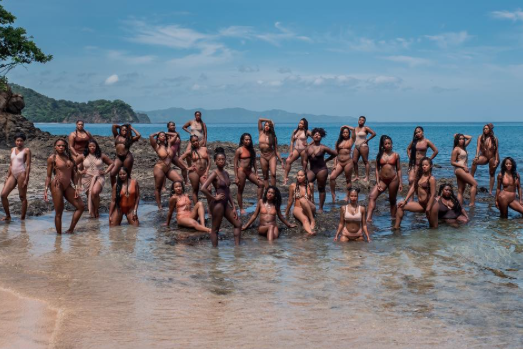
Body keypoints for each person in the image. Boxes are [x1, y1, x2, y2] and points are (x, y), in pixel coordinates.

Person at [201, 147, 242, 247]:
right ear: (215, 161)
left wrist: (233, 206)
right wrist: (213, 198)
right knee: (215, 229)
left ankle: (237, 249)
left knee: (238, 224)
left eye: (223, 159)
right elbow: (203, 188)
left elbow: (227, 191)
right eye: (219, 159)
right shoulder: (214, 174)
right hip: (217, 205)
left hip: (226, 204)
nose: (221, 161)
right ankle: (215, 255)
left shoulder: (226, 173)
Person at [44, 139, 85, 234]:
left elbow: (73, 175)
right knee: (59, 212)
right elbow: (48, 176)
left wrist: (76, 187)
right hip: (56, 185)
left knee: (81, 206)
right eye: (59, 145)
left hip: (68, 185)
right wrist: (46, 190)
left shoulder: (69, 158)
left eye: (63, 145)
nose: (61, 147)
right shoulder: (52, 158)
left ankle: (70, 230)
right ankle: (59, 238)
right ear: (55, 147)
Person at [394, 157, 438, 229]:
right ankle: (396, 229)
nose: (424, 166)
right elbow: (413, 188)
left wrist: (428, 207)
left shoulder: (431, 178)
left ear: (431, 166)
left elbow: (433, 194)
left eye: (426, 165)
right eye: (423, 165)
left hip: (432, 205)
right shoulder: (419, 177)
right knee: (400, 206)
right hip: (421, 204)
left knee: (433, 228)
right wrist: (405, 200)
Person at [366, 135, 403, 222]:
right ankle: (369, 218)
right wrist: (377, 182)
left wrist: (400, 182)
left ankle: (393, 218)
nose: (387, 145)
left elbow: (399, 169)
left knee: (392, 200)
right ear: (383, 145)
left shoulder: (396, 155)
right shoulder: (379, 155)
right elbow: (376, 169)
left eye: (389, 143)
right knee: (372, 196)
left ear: (392, 144)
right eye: (385, 143)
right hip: (383, 180)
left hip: (393, 180)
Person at [76, 139, 114, 218]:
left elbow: (111, 163)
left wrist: (106, 171)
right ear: (87, 147)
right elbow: (72, 164)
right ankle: (92, 213)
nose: (92, 147)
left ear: (96, 146)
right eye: (90, 146)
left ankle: (96, 210)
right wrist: (80, 171)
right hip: (86, 178)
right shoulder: (83, 156)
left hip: (98, 177)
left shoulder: (101, 155)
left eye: (93, 146)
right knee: (89, 196)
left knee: (94, 192)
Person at [303, 128, 337, 213]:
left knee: (321, 188)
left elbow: (335, 154)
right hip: (312, 170)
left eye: (319, 135)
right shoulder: (308, 148)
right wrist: (305, 170)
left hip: (322, 170)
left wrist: (327, 160)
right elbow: (304, 160)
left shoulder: (323, 148)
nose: (317, 136)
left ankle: (320, 208)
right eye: (315, 134)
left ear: (321, 137)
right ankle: (308, 203)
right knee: (304, 183)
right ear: (312, 136)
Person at [149, 131, 184, 209]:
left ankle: (173, 198)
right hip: (159, 169)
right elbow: (151, 136)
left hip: (168, 169)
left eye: (164, 136)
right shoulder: (156, 146)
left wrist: (165, 132)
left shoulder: (169, 144)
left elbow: (175, 134)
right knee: (158, 188)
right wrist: (157, 133)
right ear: (158, 138)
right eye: (161, 136)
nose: (163, 136)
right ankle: (159, 206)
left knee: (179, 180)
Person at [1, 133, 31, 221]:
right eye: (17, 141)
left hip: (21, 173)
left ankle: (22, 219)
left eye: (21, 141)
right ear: (15, 141)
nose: (19, 142)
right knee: (3, 195)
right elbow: (11, 164)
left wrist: (27, 178)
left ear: (23, 141)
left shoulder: (26, 150)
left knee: (22, 197)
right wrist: (7, 176)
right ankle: (8, 216)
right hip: (12, 174)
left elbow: (28, 165)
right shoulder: (12, 149)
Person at [234, 133, 263, 215]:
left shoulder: (252, 150)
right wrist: (236, 177)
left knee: (261, 184)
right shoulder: (239, 150)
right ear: (243, 140)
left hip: (249, 171)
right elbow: (235, 164)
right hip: (241, 171)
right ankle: (241, 208)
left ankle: (259, 204)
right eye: (246, 139)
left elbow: (254, 162)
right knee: (240, 190)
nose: (248, 141)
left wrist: (257, 173)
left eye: (249, 139)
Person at [180, 135, 211, 204]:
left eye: (196, 140)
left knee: (208, 189)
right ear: (191, 142)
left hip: (203, 172)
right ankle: (196, 208)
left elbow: (209, 161)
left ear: (198, 140)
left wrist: (207, 171)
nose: (196, 142)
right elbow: (180, 159)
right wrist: (187, 167)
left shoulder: (204, 149)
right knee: (195, 190)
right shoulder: (190, 151)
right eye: (193, 141)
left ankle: (210, 210)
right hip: (194, 172)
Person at [285, 170, 316, 235]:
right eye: (298, 175)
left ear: (305, 176)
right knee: (305, 219)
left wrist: (314, 210)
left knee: (303, 200)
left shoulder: (310, 185)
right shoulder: (293, 186)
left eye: (301, 175)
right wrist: (287, 212)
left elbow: (312, 200)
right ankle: (310, 232)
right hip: (298, 208)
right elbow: (290, 200)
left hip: (309, 207)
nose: (299, 177)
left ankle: (312, 220)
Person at [471, 123, 499, 195]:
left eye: (486, 128)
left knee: (492, 173)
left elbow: (496, 150)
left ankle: (490, 191)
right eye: (484, 129)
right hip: (485, 156)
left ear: (490, 130)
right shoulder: (481, 137)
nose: (485, 130)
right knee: (474, 161)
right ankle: (471, 179)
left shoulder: (494, 138)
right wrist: (477, 155)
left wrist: (496, 160)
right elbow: (478, 147)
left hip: (493, 157)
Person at [330, 125, 355, 203]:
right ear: (341, 133)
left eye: (347, 132)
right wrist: (334, 164)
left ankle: (347, 196)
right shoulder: (338, 142)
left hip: (348, 162)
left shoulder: (351, 140)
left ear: (349, 133)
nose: (345, 134)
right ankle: (333, 195)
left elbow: (353, 129)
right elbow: (335, 154)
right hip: (340, 163)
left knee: (348, 180)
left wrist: (345, 126)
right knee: (332, 177)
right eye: (343, 132)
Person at [451, 134, 477, 206]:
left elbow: (470, 137)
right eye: (460, 139)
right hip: (460, 169)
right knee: (474, 184)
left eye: (463, 139)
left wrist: (460, 134)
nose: (462, 140)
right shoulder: (456, 149)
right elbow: (452, 162)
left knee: (460, 190)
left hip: (462, 168)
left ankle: (459, 206)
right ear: (457, 140)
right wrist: (463, 166)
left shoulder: (463, 146)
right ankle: (472, 204)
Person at [283, 118, 312, 185]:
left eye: (302, 123)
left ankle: (306, 179)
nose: (300, 124)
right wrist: (291, 152)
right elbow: (292, 142)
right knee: (288, 161)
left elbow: (314, 138)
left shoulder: (307, 131)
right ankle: (285, 178)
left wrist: (308, 144)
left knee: (304, 165)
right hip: (296, 149)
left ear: (304, 125)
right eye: (299, 123)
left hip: (303, 150)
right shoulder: (295, 131)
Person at [257, 118, 284, 188]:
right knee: (265, 176)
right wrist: (269, 120)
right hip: (263, 156)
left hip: (271, 156)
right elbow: (260, 120)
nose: (266, 126)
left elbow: (276, 150)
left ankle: (273, 190)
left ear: (271, 127)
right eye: (265, 125)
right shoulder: (260, 132)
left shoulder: (273, 137)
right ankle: (267, 191)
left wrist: (281, 161)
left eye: (268, 125)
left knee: (273, 174)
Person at [352, 116, 376, 182]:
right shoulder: (355, 128)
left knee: (365, 161)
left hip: (363, 146)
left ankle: (367, 177)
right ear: (358, 120)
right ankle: (357, 176)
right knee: (354, 161)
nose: (361, 121)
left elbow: (374, 133)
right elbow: (353, 138)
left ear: (364, 122)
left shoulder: (365, 128)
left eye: (362, 120)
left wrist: (368, 139)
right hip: (356, 146)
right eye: (360, 120)